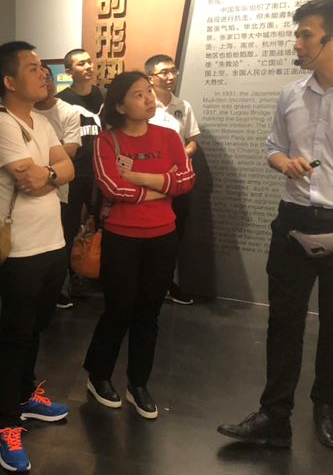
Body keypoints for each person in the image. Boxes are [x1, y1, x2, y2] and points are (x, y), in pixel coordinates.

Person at [218, 0, 333, 450]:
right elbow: (273, 147)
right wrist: (284, 164)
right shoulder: (291, 94)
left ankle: (326, 405)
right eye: (296, 34)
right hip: (293, 218)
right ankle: (275, 415)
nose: (296, 43)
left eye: (306, 35)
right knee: (283, 322)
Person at [0, 42, 75, 472]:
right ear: (10, 81)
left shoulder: (42, 121)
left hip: (53, 244)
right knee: (15, 337)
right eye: (33, 68)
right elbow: (30, 182)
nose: (44, 74)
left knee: (35, 329)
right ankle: (5, 424)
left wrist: (50, 173)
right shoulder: (0, 124)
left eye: (43, 67)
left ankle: (25, 396)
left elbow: (64, 170)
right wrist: (53, 174)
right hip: (19, 251)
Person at [83, 71, 195, 420]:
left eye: (149, 92)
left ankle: (138, 383)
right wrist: (163, 187)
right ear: (119, 105)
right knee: (118, 310)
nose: (149, 99)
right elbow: (113, 188)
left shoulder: (168, 136)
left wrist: (141, 178)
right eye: (138, 94)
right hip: (122, 238)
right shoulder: (107, 141)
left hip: (163, 236)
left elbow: (187, 179)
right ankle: (98, 375)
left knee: (149, 313)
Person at [145, 54, 200, 305]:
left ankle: (166, 282)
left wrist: (182, 155)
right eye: (164, 72)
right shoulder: (145, 105)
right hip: (150, 182)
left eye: (173, 71)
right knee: (152, 232)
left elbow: (193, 141)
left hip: (178, 181)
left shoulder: (183, 106)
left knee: (175, 234)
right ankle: (150, 283)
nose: (170, 77)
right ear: (150, 78)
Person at [56, 49, 103, 300]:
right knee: (69, 227)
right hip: (73, 174)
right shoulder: (61, 101)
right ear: (69, 71)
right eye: (81, 63)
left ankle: (96, 278)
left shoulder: (104, 96)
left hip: (102, 174)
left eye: (89, 61)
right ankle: (68, 280)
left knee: (103, 227)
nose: (88, 66)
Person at [33, 63, 81, 309]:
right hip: (28, 189)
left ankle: (56, 291)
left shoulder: (68, 111)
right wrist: (54, 152)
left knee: (59, 242)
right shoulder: (23, 112)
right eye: (39, 77)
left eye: (48, 77)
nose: (45, 82)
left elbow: (69, 152)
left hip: (58, 188)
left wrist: (34, 154)